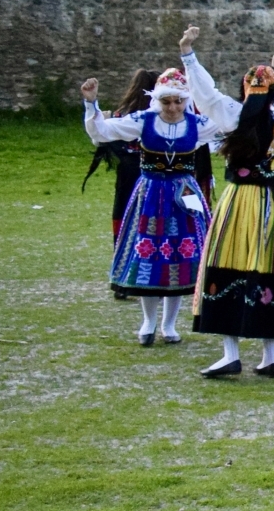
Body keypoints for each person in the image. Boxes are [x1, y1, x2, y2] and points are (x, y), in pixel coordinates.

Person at [181, 31, 274, 378]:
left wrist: (188, 56)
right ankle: (270, 356)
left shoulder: (235, 117)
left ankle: (230, 353)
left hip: (241, 201)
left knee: (229, 266)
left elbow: (205, 96)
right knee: (271, 269)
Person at [82, 58, 214, 346]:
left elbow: (228, 126)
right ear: (157, 101)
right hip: (151, 195)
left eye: (178, 102)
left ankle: (169, 325)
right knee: (149, 255)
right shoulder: (143, 121)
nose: (172, 108)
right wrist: (92, 105)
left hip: (185, 196)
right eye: (166, 101)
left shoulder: (198, 125)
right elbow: (103, 133)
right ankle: (148, 322)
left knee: (182, 255)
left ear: (185, 101)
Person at [82, 68, 158, 245]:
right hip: (153, 179)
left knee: (128, 224)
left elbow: (98, 138)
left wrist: (91, 104)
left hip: (128, 182)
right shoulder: (153, 120)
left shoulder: (121, 116)